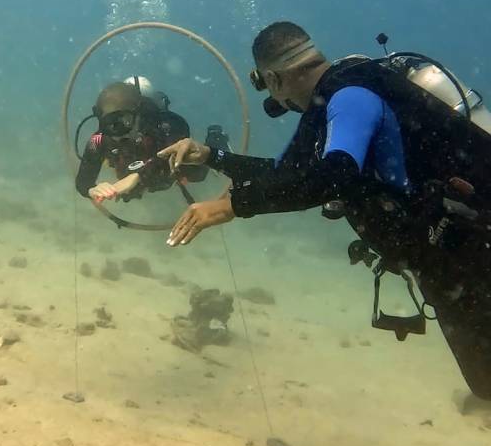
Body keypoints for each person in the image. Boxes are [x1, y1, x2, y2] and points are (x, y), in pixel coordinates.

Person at [158, 21, 491, 400]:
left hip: (472, 251)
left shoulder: (350, 98)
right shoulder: (335, 99)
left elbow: (333, 177)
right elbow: (288, 174)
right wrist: (213, 156)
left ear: (273, 78)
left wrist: (233, 206)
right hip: (456, 254)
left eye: (270, 89)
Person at [75, 76, 229, 205]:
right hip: (140, 177)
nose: (117, 130)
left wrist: (138, 176)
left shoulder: (166, 124)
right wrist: (92, 189)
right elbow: (83, 182)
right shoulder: (98, 139)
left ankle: (216, 138)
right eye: (109, 122)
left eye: (125, 121)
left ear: (138, 114)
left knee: (198, 174)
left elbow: (174, 156)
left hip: (166, 172)